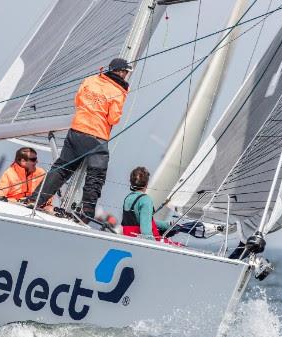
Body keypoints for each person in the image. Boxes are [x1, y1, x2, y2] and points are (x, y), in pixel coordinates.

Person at [25, 58, 130, 221]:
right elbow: (113, 119)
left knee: (62, 167)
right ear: (121, 72)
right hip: (96, 135)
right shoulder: (118, 90)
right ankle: (86, 214)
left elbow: (78, 101)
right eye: (126, 72)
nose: (126, 76)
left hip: (76, 130)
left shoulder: (91, 79)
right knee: (96, 175)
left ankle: (35, 199)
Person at [121, 166, 178, 242]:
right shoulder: (145, 200)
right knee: (178, 245)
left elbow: (141, 220)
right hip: (142, 241)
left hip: (128, 238)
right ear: (147, 184)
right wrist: (152, 242)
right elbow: (145, 231)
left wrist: (166, 225)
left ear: (131, 182)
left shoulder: (128, 198)